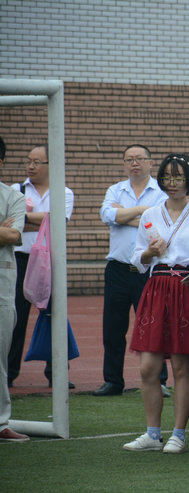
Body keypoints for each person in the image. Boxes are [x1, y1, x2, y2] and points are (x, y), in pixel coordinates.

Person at [123, 154, 189, 454]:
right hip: (157, 288)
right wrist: (150, 253)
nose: (172, 183)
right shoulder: (151, 214)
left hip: (186, 290)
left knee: (180, 366)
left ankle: (178, 434)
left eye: (178, 177)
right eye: (167, 177)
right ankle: (152, 433)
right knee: (148, 367)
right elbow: (136, 261)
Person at [94, 145, 168, 397]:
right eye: (129, 159)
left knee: (152, 326)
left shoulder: (161, 191)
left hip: (148, 271)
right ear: (124, 164)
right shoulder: (116, 189)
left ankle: (159, 380)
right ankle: (113, 381)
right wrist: (141, 212)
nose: (134, 163)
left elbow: (160, 223)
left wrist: (123, 215)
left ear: (151, 162)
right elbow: (107, 215)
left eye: (139, 159)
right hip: (117, 269)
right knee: (113, 328)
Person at [7, 145, 74, 388]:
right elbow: (9, 224)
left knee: (55, 316)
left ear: (51, 164)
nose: (31, 166)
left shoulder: (64, 192)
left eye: (37, 162)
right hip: (21, 260)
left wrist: (24, 219)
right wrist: (44, 218)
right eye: (29, 161)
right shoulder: (16, 190)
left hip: (51, 262)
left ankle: (57, 373)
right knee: (15, 318)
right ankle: (9, 373)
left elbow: (58, 221)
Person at [0, 136, 30, 442]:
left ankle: (0, 422)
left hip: (2, 284)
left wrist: (6, 232)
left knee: (0, 353)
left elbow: (13, 236)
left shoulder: (12, 196)